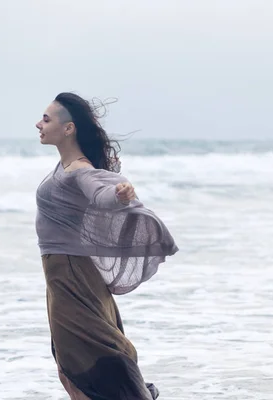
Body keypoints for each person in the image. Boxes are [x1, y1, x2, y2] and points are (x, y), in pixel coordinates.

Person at [35, 92, 178, 399]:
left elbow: (100, 194)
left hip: (71, 274)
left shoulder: (78, 169)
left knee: (81, 361)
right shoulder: (65, 166)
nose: (39, 124)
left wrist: (118, 196)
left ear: (68, 128)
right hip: (62, 276)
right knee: (68, 363)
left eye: (46, 119)